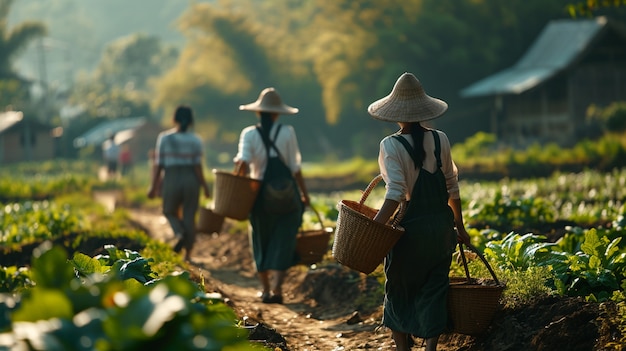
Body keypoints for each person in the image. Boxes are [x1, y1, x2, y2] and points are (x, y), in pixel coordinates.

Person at [368, 72, 471, 351]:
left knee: (399, 290)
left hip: (409, 233)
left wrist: (375, 229)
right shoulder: (441, 140)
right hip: (440, 231)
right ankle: (430, 348)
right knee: (434, 289)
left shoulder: (390, 145)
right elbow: (452, 187)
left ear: (396, 113)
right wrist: (459, 227)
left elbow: (396, 194)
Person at [234, 87, 311, 304]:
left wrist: (237, 188)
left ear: (258, 112)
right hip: (287, 197)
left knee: (261, 240)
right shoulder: (287, 132)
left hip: (258, 197)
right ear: (277, 113)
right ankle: (277, 290)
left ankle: (265, 289)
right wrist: (305, 196)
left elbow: (243, 162)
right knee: (284, 241)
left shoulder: (249, 134)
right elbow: (296, 168)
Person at [147, 105, 210, 261]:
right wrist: (205, 186)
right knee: (189, 215)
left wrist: (153, 186)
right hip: (191, 179)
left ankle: (179, 233)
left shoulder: (165, 138)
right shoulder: (196, 140)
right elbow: (197, 165)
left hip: (172, 177)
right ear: (190, 121)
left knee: (169, 210)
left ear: (174, 119)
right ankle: (188, 254)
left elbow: (159, 164)